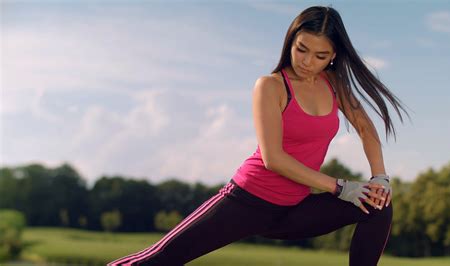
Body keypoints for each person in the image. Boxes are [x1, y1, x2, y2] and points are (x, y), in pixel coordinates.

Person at [108, 5, 410, 266]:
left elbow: (365, 127)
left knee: (378, 205)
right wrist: (340, 187)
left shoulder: (332, 83)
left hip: (293, 209)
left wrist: (379, 178)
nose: (307, 61)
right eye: (301, 49)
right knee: (159, 260)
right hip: (247, 201)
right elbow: (273, 159)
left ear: (332, 57)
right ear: (290, 41)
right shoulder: (271, 86)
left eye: (319, 56)